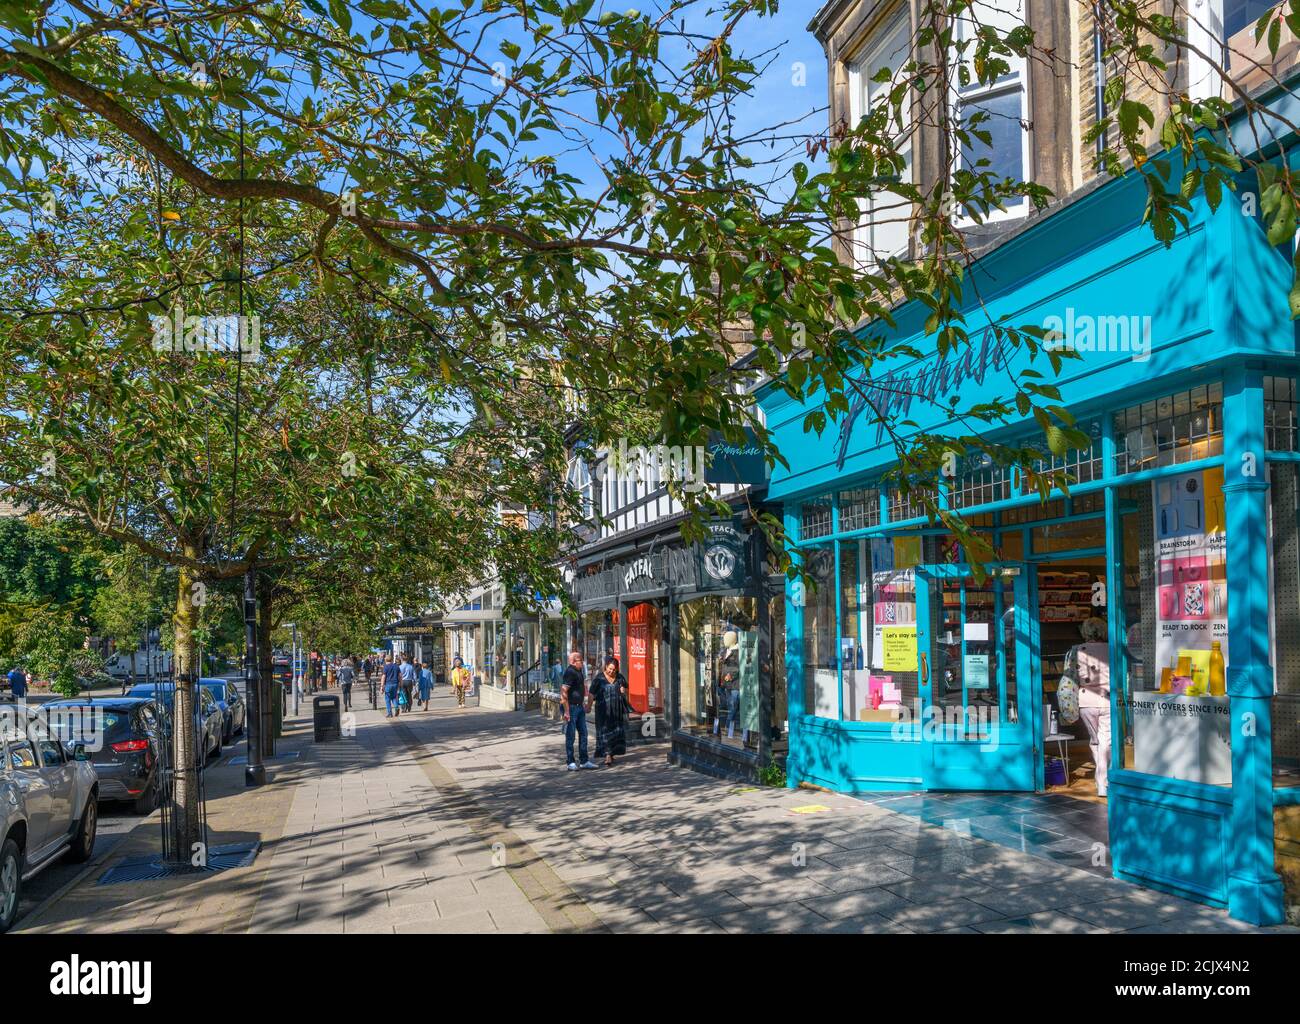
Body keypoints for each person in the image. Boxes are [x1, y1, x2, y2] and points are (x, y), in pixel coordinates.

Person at [1067, 616, 1111, 798]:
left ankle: (1101, 780)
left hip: (1085, 700)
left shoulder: (1076, 651)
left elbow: (1070, 677)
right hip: (1108, 699)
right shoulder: (1112, 649)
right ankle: (1103, 781)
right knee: (1105, 741)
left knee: (1096, 741)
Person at [588, 656, 630, 767]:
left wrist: (623, 690)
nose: (611, 671)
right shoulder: (599, 678)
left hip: (617, 710)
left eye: (614, 669)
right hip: (603, 710)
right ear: (606, 666)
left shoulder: (619, 677)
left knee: (615, 732)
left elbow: (626, 688)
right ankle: (607, 754)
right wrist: (588, 706)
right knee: (605, 732)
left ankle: (611, 753)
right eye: (610, 668)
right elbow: (591, 693)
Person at [560, 650, 596, 771]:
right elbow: (564, 690)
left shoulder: (578, 671)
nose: (583, 662)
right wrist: (566, 711)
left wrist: (584, 703)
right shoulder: (570, 672)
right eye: (581, 660)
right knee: (570, 735)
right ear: (574, 662)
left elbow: (580, 689)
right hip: (571, 707)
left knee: (583, 733)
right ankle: (570, 762)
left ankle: (584, 760)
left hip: (579, 706)